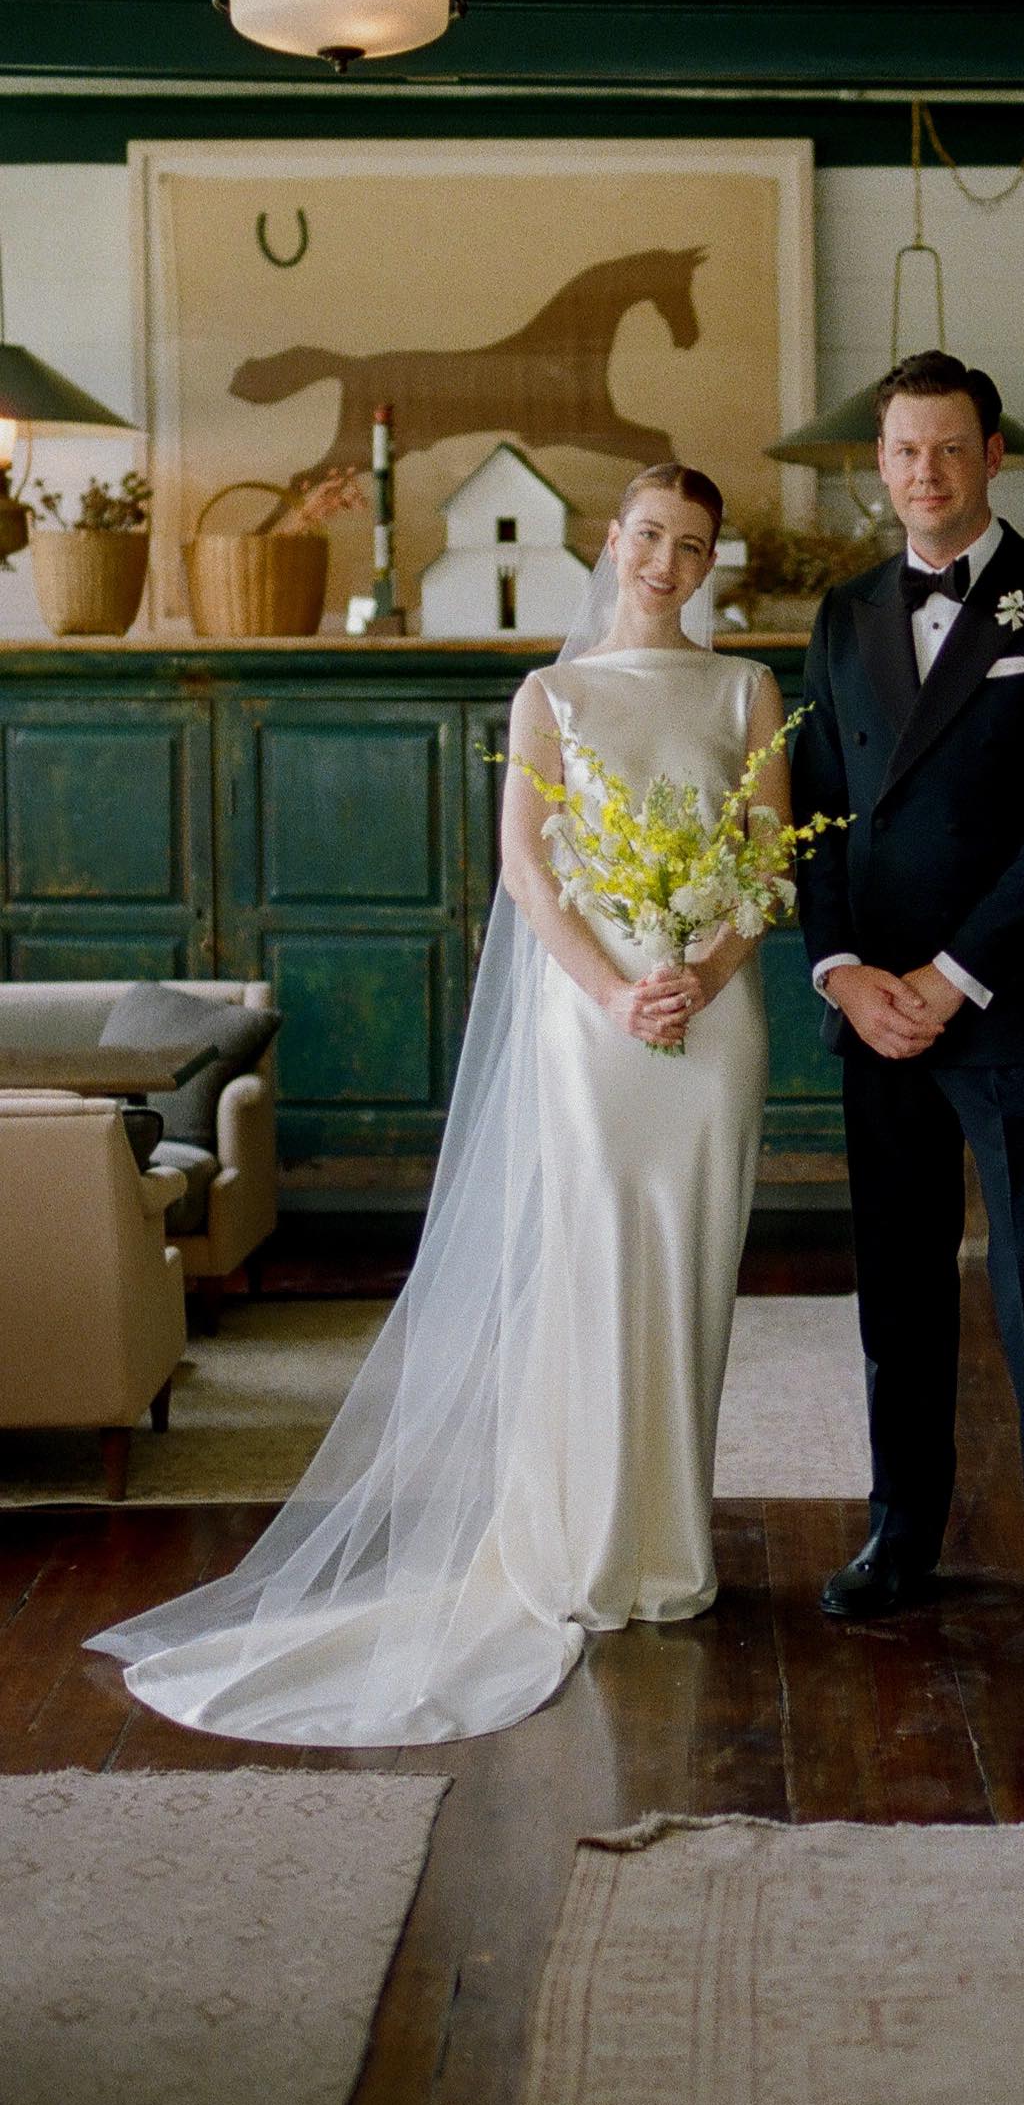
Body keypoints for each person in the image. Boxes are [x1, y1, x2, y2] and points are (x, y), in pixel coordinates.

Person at [86, 465, 790, 1745]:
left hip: (711, 1019)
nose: (665, 562)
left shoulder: (747, 689)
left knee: (692, 1273)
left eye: (691, 546)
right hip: (597, 1025)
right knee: (591, 1266)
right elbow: (527, 871)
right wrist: (615, 994)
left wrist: (699, 972)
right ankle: (584, 1543)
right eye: (648, 536)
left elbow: (765, 863)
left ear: (708, 563)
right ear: (613, 541)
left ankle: (669, 1549)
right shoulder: (551, 695)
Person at [791, 350, 1024, 1640]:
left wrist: (953, 973)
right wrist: (841, 971)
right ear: (877, 465)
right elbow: (816, 816)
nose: (923, 472)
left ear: (992, 456)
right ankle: (900, 1534)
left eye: (947, 448)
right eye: (901, 451)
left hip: (1007, 1000)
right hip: (877, 1005)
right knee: (898, 1282)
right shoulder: (842, 616)